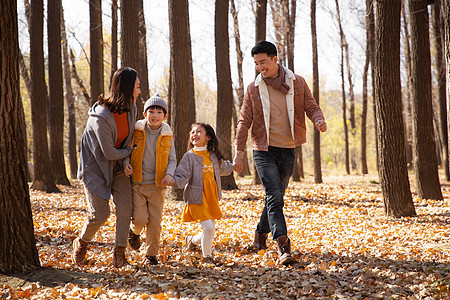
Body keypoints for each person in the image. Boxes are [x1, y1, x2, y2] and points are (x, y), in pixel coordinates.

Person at [233, 41, 327, 266]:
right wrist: (238, 151)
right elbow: (244, 121)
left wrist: (319, 119)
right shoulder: (253, 88)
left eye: (263, 62)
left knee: (275, 197)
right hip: (263, 150)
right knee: (274, 195)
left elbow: (311, 106)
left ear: (275, 59)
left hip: (288, 149)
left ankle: (259, 236)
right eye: (256, 64)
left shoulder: (297, 82)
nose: (259, 67)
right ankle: (283, 248)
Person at [73, 67, 140, 268]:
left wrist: (126, 162)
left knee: (126, 207)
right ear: (128, 88)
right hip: (95, 167)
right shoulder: (101, 116)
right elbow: (110, 152)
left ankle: (119, 255)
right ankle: (82, 242)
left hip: (118, 165)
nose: (139, 91)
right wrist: (127, 152)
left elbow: (127, 143)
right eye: (137, 87)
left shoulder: (132, 108)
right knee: (100, 214)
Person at [123, 94, 176, 266]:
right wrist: (125, 163)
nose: (155, 115)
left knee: (155, 222)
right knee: (139, 219)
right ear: (145, 114)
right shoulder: (137, 130)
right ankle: (134, 232)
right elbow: (127, 151)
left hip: (158, 186)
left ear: (165, 116)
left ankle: (151, 255)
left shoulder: (167, 135)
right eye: (151, 111)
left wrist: (169, 174)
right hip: (138, 183)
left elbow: (173, 159)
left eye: (159, 112)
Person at [171, 123, 234, 264]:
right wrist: (173, 181)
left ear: (208, 137)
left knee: (210, 231)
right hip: (196, 198)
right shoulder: (189, 157)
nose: (194, 134)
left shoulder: (212, 155)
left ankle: (191, 240)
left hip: (211, 198)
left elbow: (224, 168)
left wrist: (235, 165)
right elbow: (182, 175)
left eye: (199, 132)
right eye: (192, 132)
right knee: (209, 228)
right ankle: (207, 258)